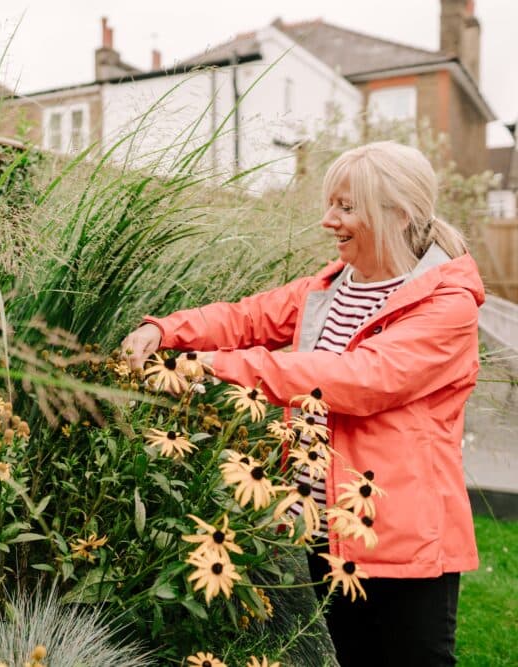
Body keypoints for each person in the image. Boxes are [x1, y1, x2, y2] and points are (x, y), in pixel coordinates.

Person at [121, 140, 483, 666]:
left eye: (345, 206)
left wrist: (214, 366)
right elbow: (246, 318)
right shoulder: (331, 287)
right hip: (319, 528)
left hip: (401, 540)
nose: (327, 220)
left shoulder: (445, 304)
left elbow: (362, 379)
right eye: (329, 204)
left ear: (399, 214)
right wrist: (165, 332)